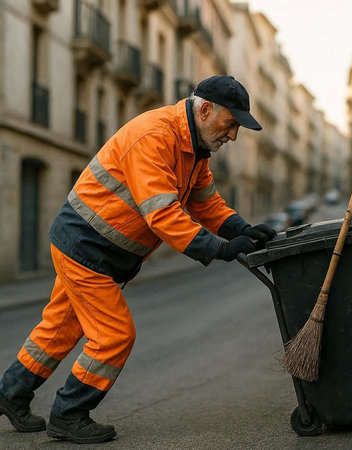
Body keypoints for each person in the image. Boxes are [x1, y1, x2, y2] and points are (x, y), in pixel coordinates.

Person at [0, 75, 276, 444]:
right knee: (114, 335)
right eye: (231, 124)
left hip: (98, 250)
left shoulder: (195, 150)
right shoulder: (155, 136)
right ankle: (69, 414)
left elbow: (205, 202)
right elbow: (161, 214)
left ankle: (10, 394)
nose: (233, 136)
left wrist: (242, 227)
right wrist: (220, 248)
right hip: (86, 247)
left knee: (60, 328)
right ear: (206, 110)